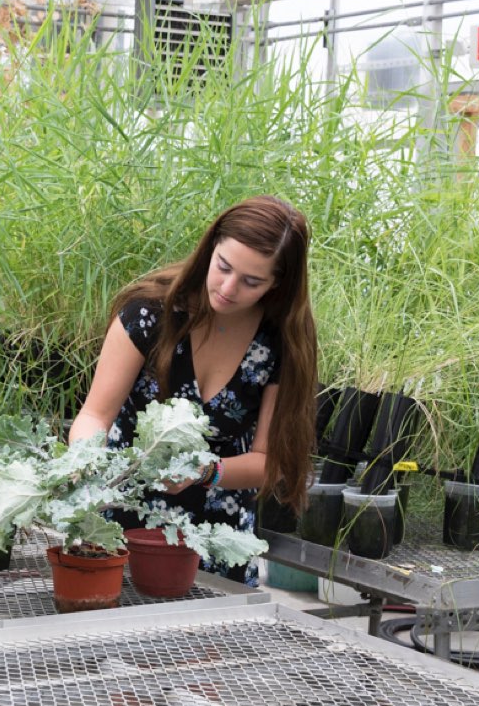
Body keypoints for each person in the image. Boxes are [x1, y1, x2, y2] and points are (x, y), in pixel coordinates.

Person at [69, 195, 318, 584]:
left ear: (277, 284)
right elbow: (95, 415)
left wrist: (207, 471)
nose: (229, 288)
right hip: (122, 524)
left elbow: (270, 461)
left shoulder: (280, 341)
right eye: (223, 267)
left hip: (217, 543)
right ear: (211, 248)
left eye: (252, 281)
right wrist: (83, 463)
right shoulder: (149, 314)